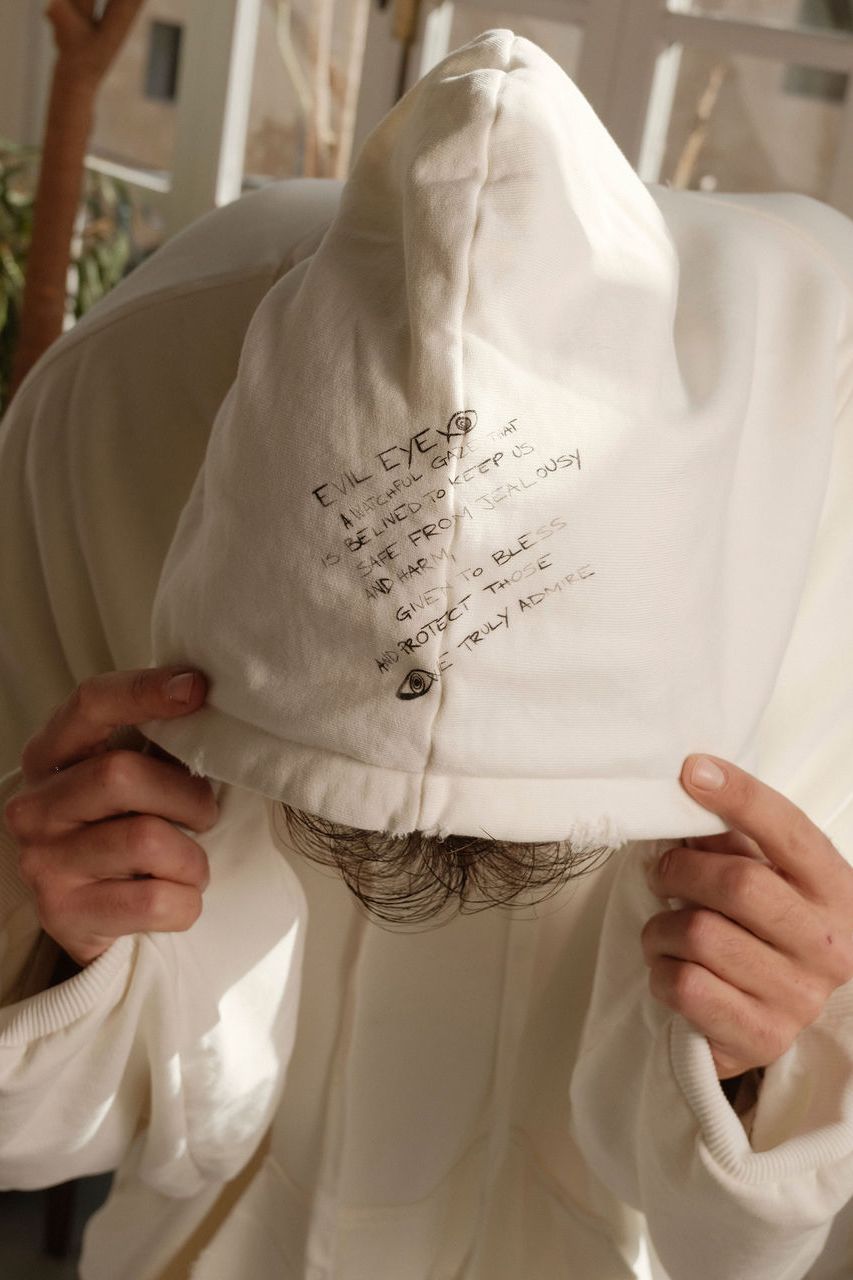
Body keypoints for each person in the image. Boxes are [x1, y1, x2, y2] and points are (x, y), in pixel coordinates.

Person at [2, 27, 853, 1280]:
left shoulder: (834, 480)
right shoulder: (106, 421)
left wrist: (767, 1050)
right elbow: (36, 1110)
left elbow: (787, 1161)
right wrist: (53, 932)